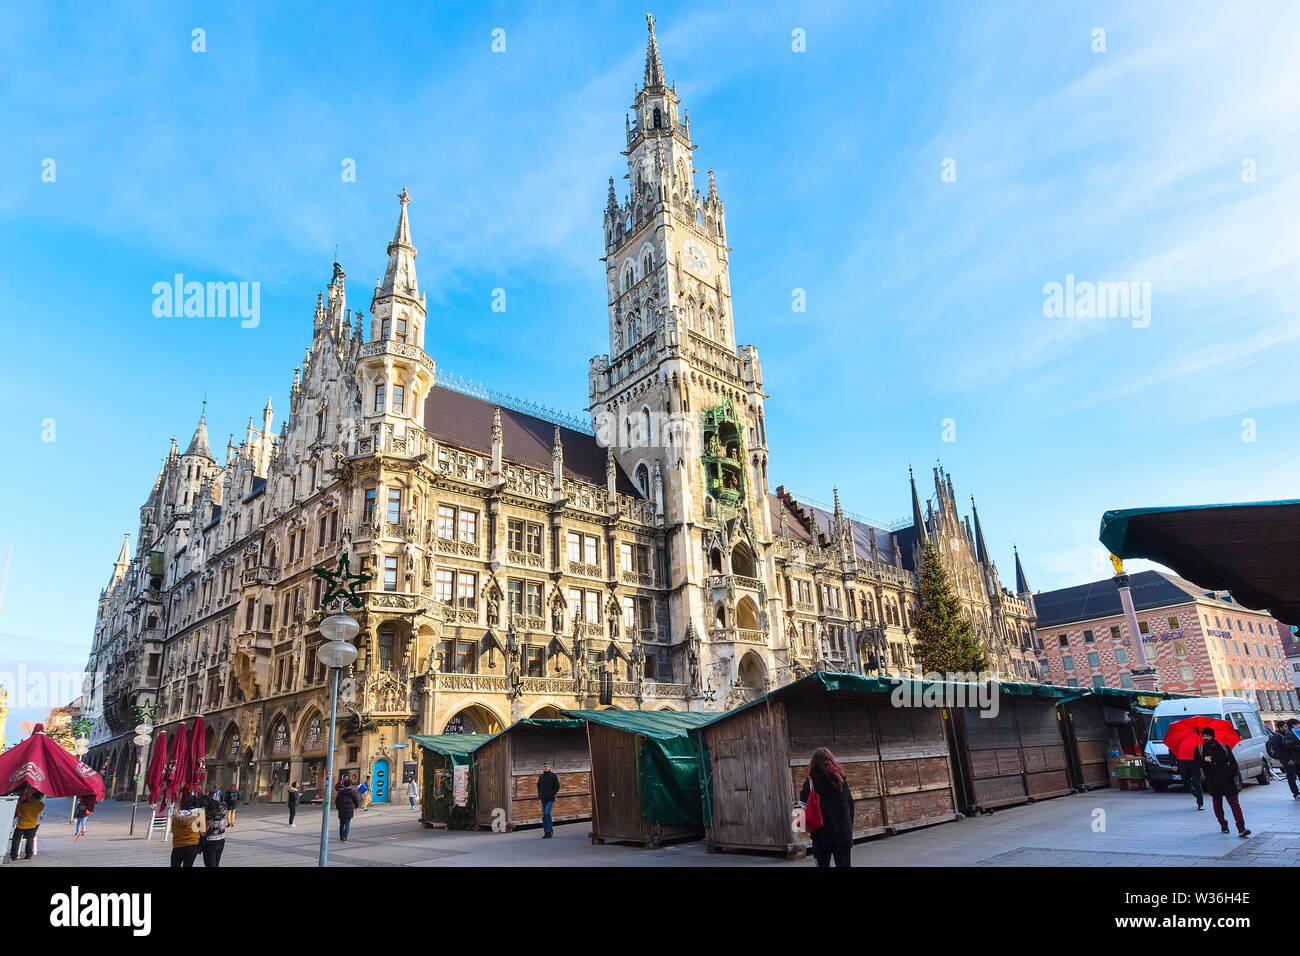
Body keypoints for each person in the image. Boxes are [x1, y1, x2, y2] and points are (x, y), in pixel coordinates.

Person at [798, 747, 855, 867]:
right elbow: (850, 804)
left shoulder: (810, 782)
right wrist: (849, 827)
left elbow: (803, 806)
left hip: (821, 835)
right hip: (842, 834)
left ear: (813, 762)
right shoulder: (840, 780)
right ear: (831, 760)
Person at [1193, 727, 1251, 838]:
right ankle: (1223, 824)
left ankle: (1241, 827)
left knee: (1234, 804)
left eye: (1208, 736)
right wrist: (1204, 761)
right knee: (1217, 804)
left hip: (1227, 780)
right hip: (1213, 781)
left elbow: (1233, 764)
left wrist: (1231, 775)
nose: (1205, 738)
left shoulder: (1223, 747)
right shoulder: (1199, 749)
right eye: (1204, 736)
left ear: (1212, 736)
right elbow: (1196, 764)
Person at [169, 795, 206, 868]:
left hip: (177, 846)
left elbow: (173, 830)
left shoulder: (176, 816)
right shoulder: (199, 814)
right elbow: (203, 831)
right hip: (192, 846)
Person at [9, 788, 45, 861]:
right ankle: (28, 855)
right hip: (32, 825)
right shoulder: (41, 805)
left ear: (33, 796)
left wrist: (22, 802)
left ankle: (14, 856)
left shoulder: (26, 805)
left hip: (21, 825)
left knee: (16, 840)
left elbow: (18, 811)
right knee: (30, 840)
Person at [1267, 720, 1300, 799]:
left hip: (1293, 758)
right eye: (1285, 727)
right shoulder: (1277, 737)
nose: (1286, 728)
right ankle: (1296, 793)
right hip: (1287, 760)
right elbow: (1279, 750)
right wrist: (1288, 759)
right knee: (1291, 776)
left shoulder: (1286, 734)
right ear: (1280, 728)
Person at [201, 792, 227, 867]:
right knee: (216, 863)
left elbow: (202, 829)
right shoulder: (223, 809)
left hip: (210, 842)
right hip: (221, 839)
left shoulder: (208, 813)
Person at [537, 762, 560, 838]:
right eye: (544, 767)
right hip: (543, 799)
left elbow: (557, 786)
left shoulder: (553, 776)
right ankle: (546, 832)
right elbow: (538, 787)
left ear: (549, 767)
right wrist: (540, 795)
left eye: (546, 766)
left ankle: (550, 831)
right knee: (544, 816)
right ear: (542, 768)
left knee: (547, 813)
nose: (545, 768)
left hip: (550, 798)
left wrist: (552, 793)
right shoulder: (541, 777)